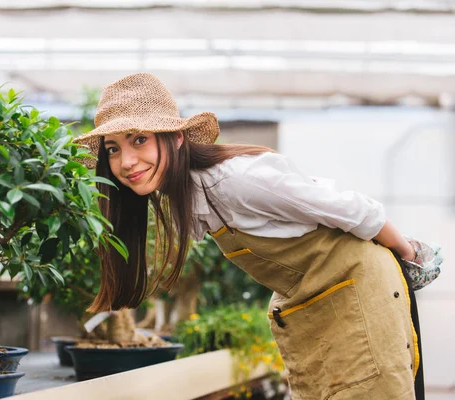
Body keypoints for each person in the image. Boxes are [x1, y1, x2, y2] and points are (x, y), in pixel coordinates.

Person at [73, 73, 426, 399]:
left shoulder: (234, 179)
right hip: (323, 306)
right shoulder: (187, 196)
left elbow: (354, 210)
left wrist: (408, 254)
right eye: (113, 148)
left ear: (177, 138)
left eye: (139, 139)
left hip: (362, 292)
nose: (126, 161)